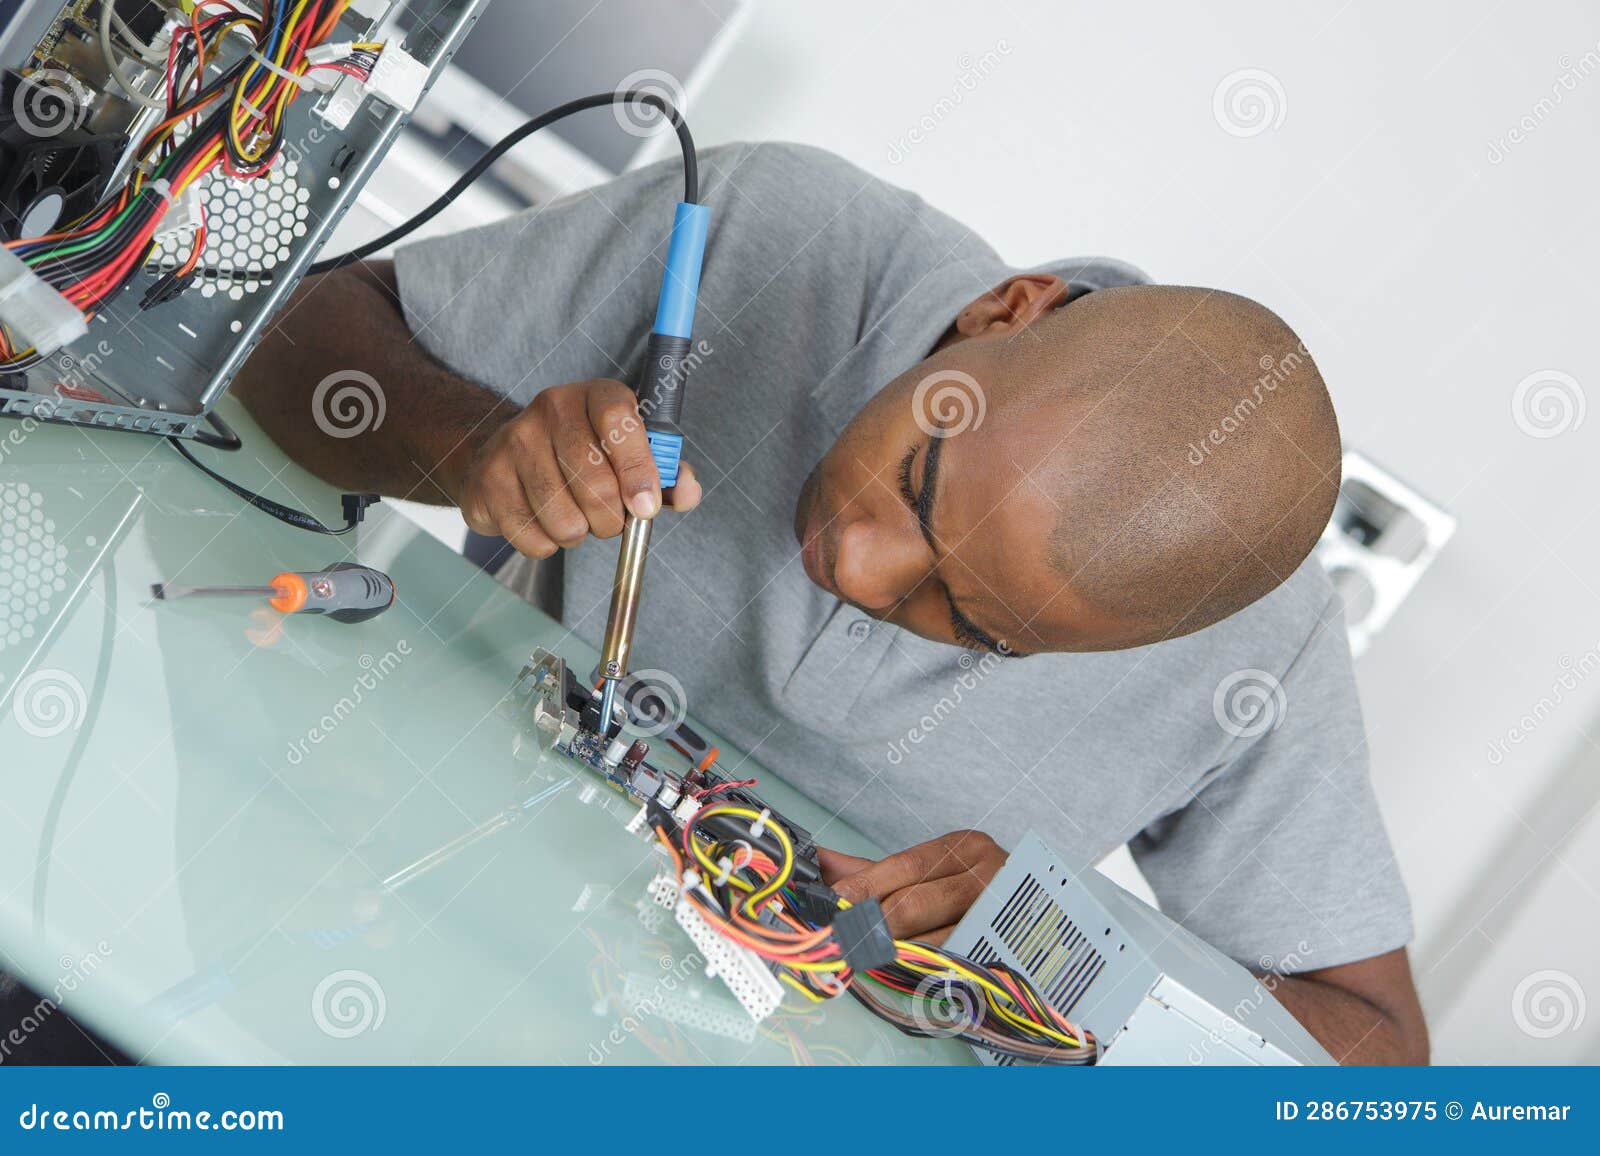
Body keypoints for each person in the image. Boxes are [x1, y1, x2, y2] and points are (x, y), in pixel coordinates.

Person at [235, 141, 1427, 1063]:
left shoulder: (1263, 648)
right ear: (1004, 310)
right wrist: (476, 444)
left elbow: (1373, 1061)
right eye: (919, 482)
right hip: (411, 892)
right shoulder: (782, 229)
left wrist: (1071, 952)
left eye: (972, 625)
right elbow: (288, 340)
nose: (856, 569)